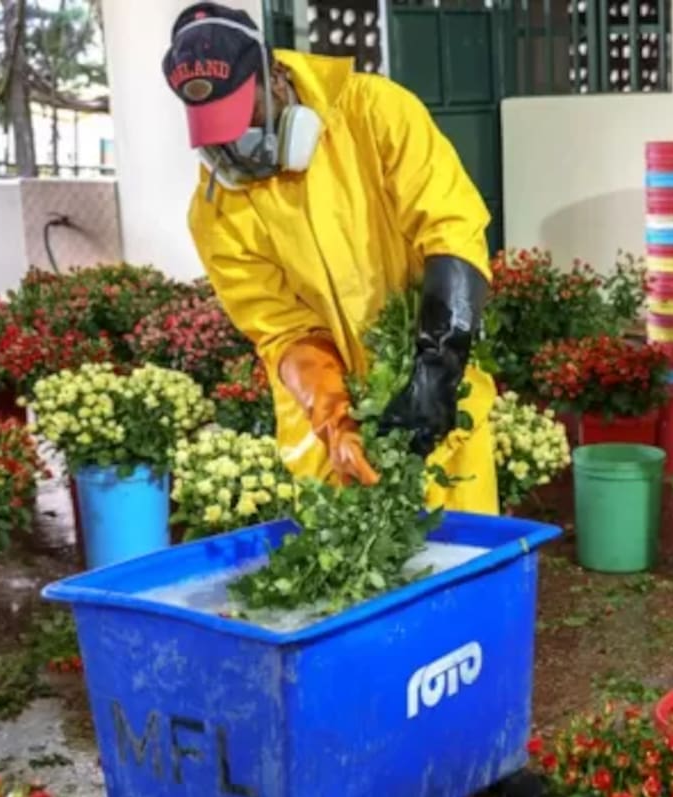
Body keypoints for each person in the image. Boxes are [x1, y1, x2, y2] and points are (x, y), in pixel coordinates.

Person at [162, 2, 498, 514]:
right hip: (325, 430)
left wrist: (438, 366)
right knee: (346, 572)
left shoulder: (374, 113)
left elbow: (451, 230)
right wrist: (338, 421)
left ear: (272, 76)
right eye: (216, 131)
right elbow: (283, 331)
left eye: (242, 117)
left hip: (438, 381)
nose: (234, 146)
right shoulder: (217, 212)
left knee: (458, 556)